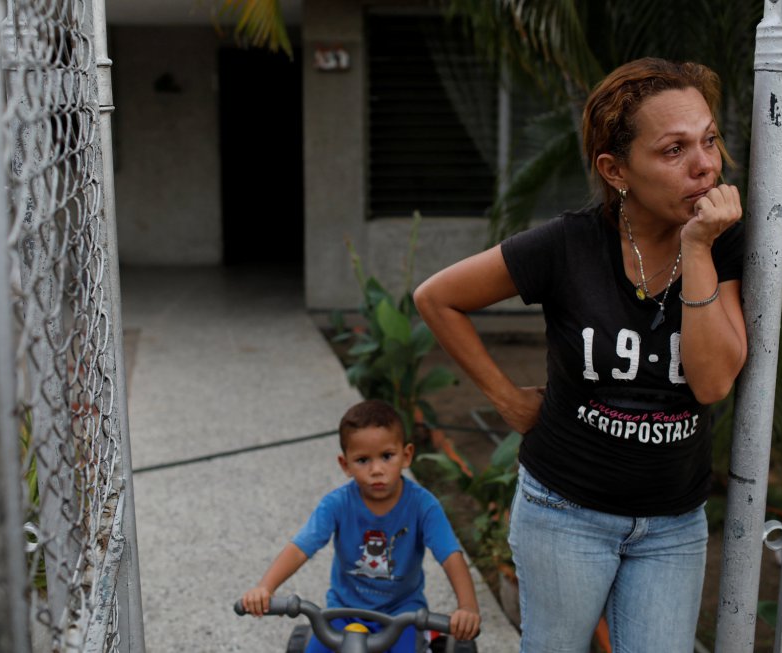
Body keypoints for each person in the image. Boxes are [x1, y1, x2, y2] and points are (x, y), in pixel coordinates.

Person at [414, 57, 747, 652]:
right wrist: (508, 401)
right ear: (615, 169)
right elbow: (437, 298)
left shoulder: (723, 240)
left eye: (709, 141)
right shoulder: (567, 245)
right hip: (565, 513)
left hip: (673, 522)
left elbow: (713, 381)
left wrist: (698, 247)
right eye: (673, 150)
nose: (704, 166)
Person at [240, 399, 481, 652]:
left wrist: (467, 607)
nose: (377, 469)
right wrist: (265, 588)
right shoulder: (336, 505)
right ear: (346, 465)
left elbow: (450, 556)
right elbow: (300, 548)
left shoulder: (423, 506)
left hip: (402, 613)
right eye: (363, 460)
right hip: (343, 610)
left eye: (387, 456)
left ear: (406, 455)